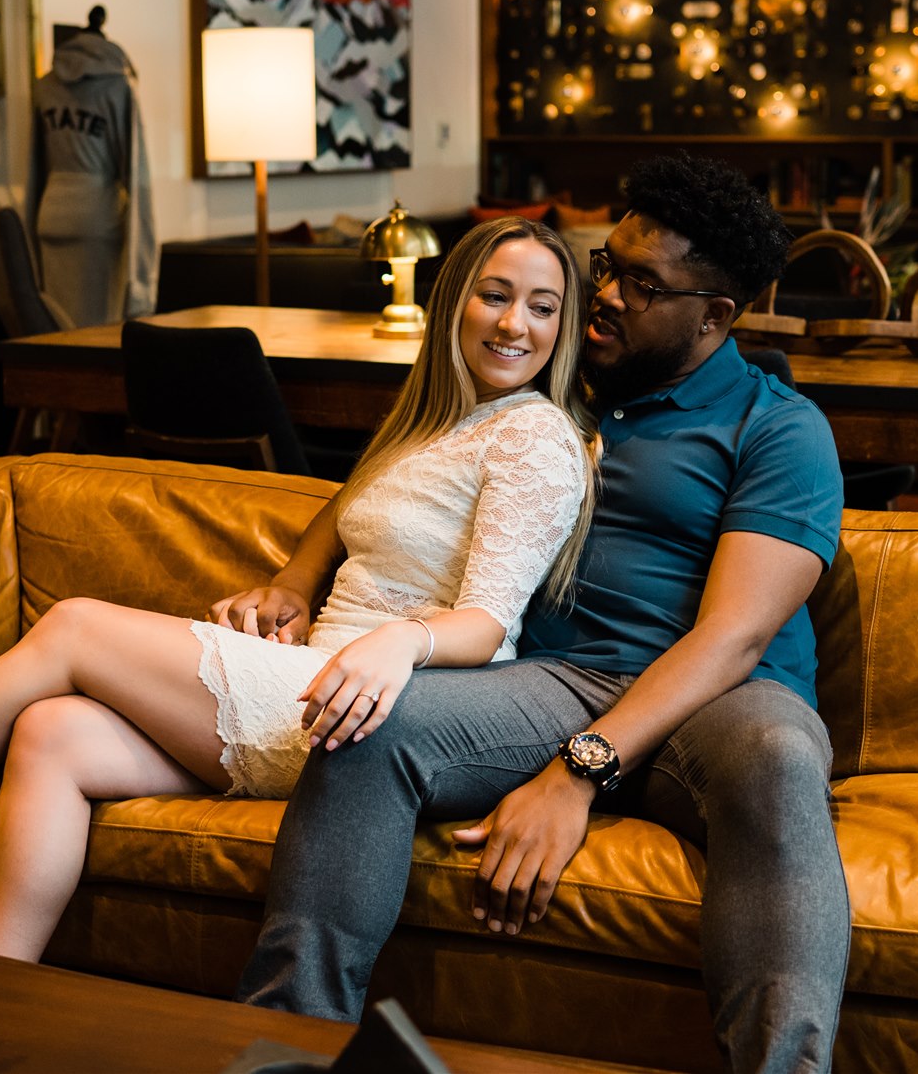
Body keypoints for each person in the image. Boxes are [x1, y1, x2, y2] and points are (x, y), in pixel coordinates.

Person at [0, 216, 595, 962]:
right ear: (455, 302)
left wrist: (402, 639)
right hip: (315, 666)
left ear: (565, 325)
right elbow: (348, 505)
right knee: (50, 733)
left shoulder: (534, 437)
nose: (516, 323)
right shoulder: (434, 418)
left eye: (542, 305)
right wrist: (293, 583)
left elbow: (487, 624)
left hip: (372, 710)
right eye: (494, 294)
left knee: (77, 626)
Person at [236, 156, 849, 1074]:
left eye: (641, 284)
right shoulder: (553, 383)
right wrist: (297, 570)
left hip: (719, 704)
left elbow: (734, 637)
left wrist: (578, 774)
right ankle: (291, 1043)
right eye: (608, 262)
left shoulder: (779, 428)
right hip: (553, 680)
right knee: (369, 723)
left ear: (714, 316)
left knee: (778, 756)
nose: (602, 293)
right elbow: (408, 459)